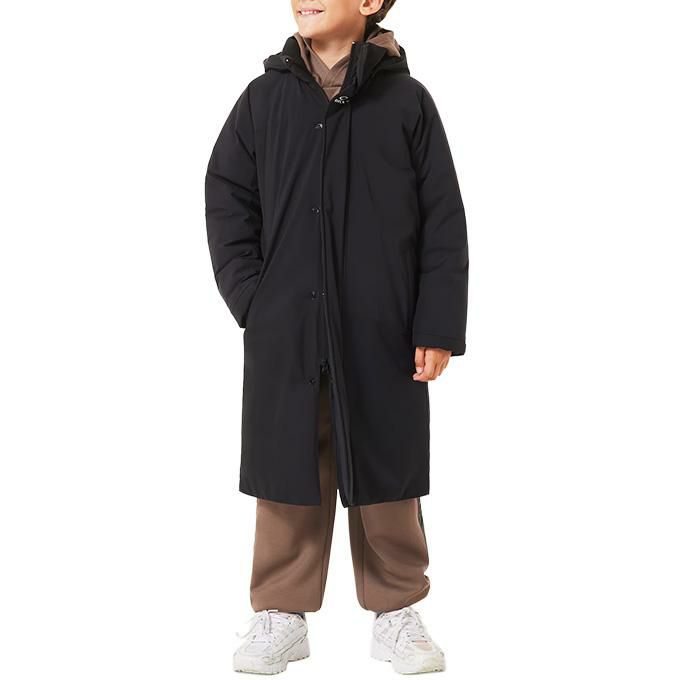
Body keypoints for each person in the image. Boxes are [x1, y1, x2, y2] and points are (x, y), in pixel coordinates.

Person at [205, 0, 468, 674]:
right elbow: (227, 195)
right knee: (286, 464)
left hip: (381, 325)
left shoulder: (407, 102)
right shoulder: (264, 99)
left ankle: (398, 610)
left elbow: (443, 218)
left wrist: (436, 324)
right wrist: (253, 297)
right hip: (286, 324)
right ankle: (279, 613)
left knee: (385, 466)